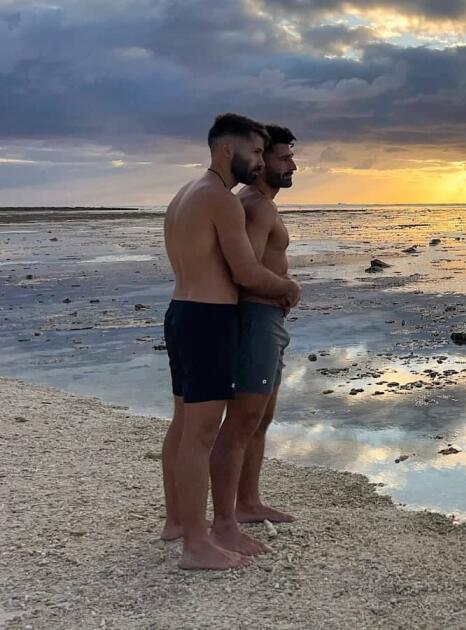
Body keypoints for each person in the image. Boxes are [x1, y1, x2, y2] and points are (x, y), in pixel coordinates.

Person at [161, 113, 301, 570]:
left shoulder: (186, 194)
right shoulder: (220, 197)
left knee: (186, 426)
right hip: (208, 318)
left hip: (181, 311)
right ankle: (200, 542)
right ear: (228, 150)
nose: (259, 162)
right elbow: (244, 271)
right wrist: (287, 288)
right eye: (256, 152)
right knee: (201, 433)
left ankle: (179, 523)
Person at [209, 124, 298, 555]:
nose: (291, 165)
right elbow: (242, 275)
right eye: (283, 158)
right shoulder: (256, 207)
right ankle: (225, 519)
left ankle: (248, 501)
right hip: (256, 321)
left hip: (270, 320)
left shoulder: (261, 204)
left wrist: (281, 291)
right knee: (242, 420)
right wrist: (285, 288)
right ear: (262, 163)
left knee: (261, 419)